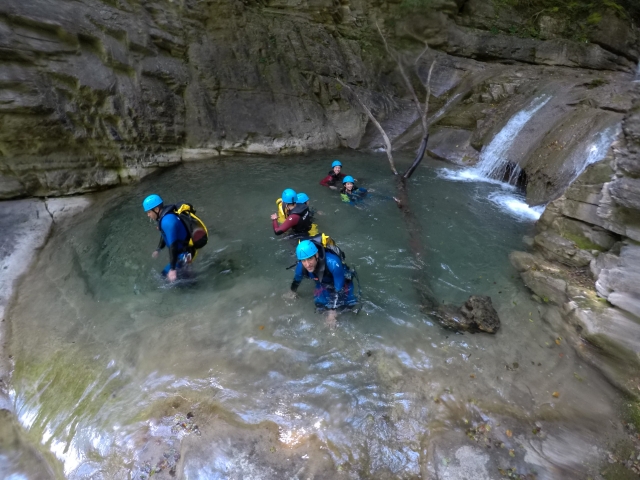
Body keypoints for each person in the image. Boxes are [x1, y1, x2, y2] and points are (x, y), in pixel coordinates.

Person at [284, 240, 358, 328]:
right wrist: (292, 292)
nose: (307, 264)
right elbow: (296, 280)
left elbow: (339, 288)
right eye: (303, 260)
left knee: (348, 306)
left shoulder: (333, 263)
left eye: (310, 258)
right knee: (320, 307)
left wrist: (332, 311)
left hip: (342, 280)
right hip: (323, 283)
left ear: (317, 255)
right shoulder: (301, 266)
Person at [143, 194, 194, 282]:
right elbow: (165, 235)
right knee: (167, 278)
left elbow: (173, 245)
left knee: (185, 283)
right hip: (181, 253)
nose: (148, 215)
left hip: (184, 255)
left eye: (148, 212)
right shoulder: (165, 217)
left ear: (156, 209)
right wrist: (158, 249)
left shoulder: (167, 222)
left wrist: (172, 269)